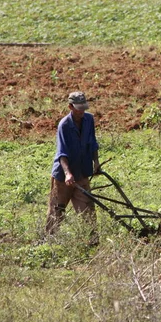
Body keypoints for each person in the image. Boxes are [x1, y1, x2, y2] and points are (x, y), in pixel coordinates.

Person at [45, 91, 100, 245]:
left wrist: (96, 162)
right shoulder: (64, 125)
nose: (81, 111)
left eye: (83, 108)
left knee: (88, 211)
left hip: (82, 172)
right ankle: (49, 242)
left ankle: (93, 243)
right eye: (78, 108)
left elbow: (93, 143)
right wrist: (68, 174)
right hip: (63, 178)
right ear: (70, 106)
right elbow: (62, 153)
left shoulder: (89, 120)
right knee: (57, 210)